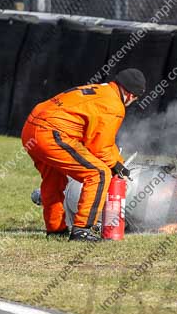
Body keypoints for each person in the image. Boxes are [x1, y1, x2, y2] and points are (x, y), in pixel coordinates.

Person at [21, 69, 146, 241]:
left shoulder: (102, 90)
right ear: (131, 95)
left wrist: (118, 161)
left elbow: (101, 139)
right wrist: (116, 166)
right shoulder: (114, 105)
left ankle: (56, 230)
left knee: (54, 180)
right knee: (98, 174)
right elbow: (99, 147)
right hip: (51, 133)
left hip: (31, 129)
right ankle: (82, 230)